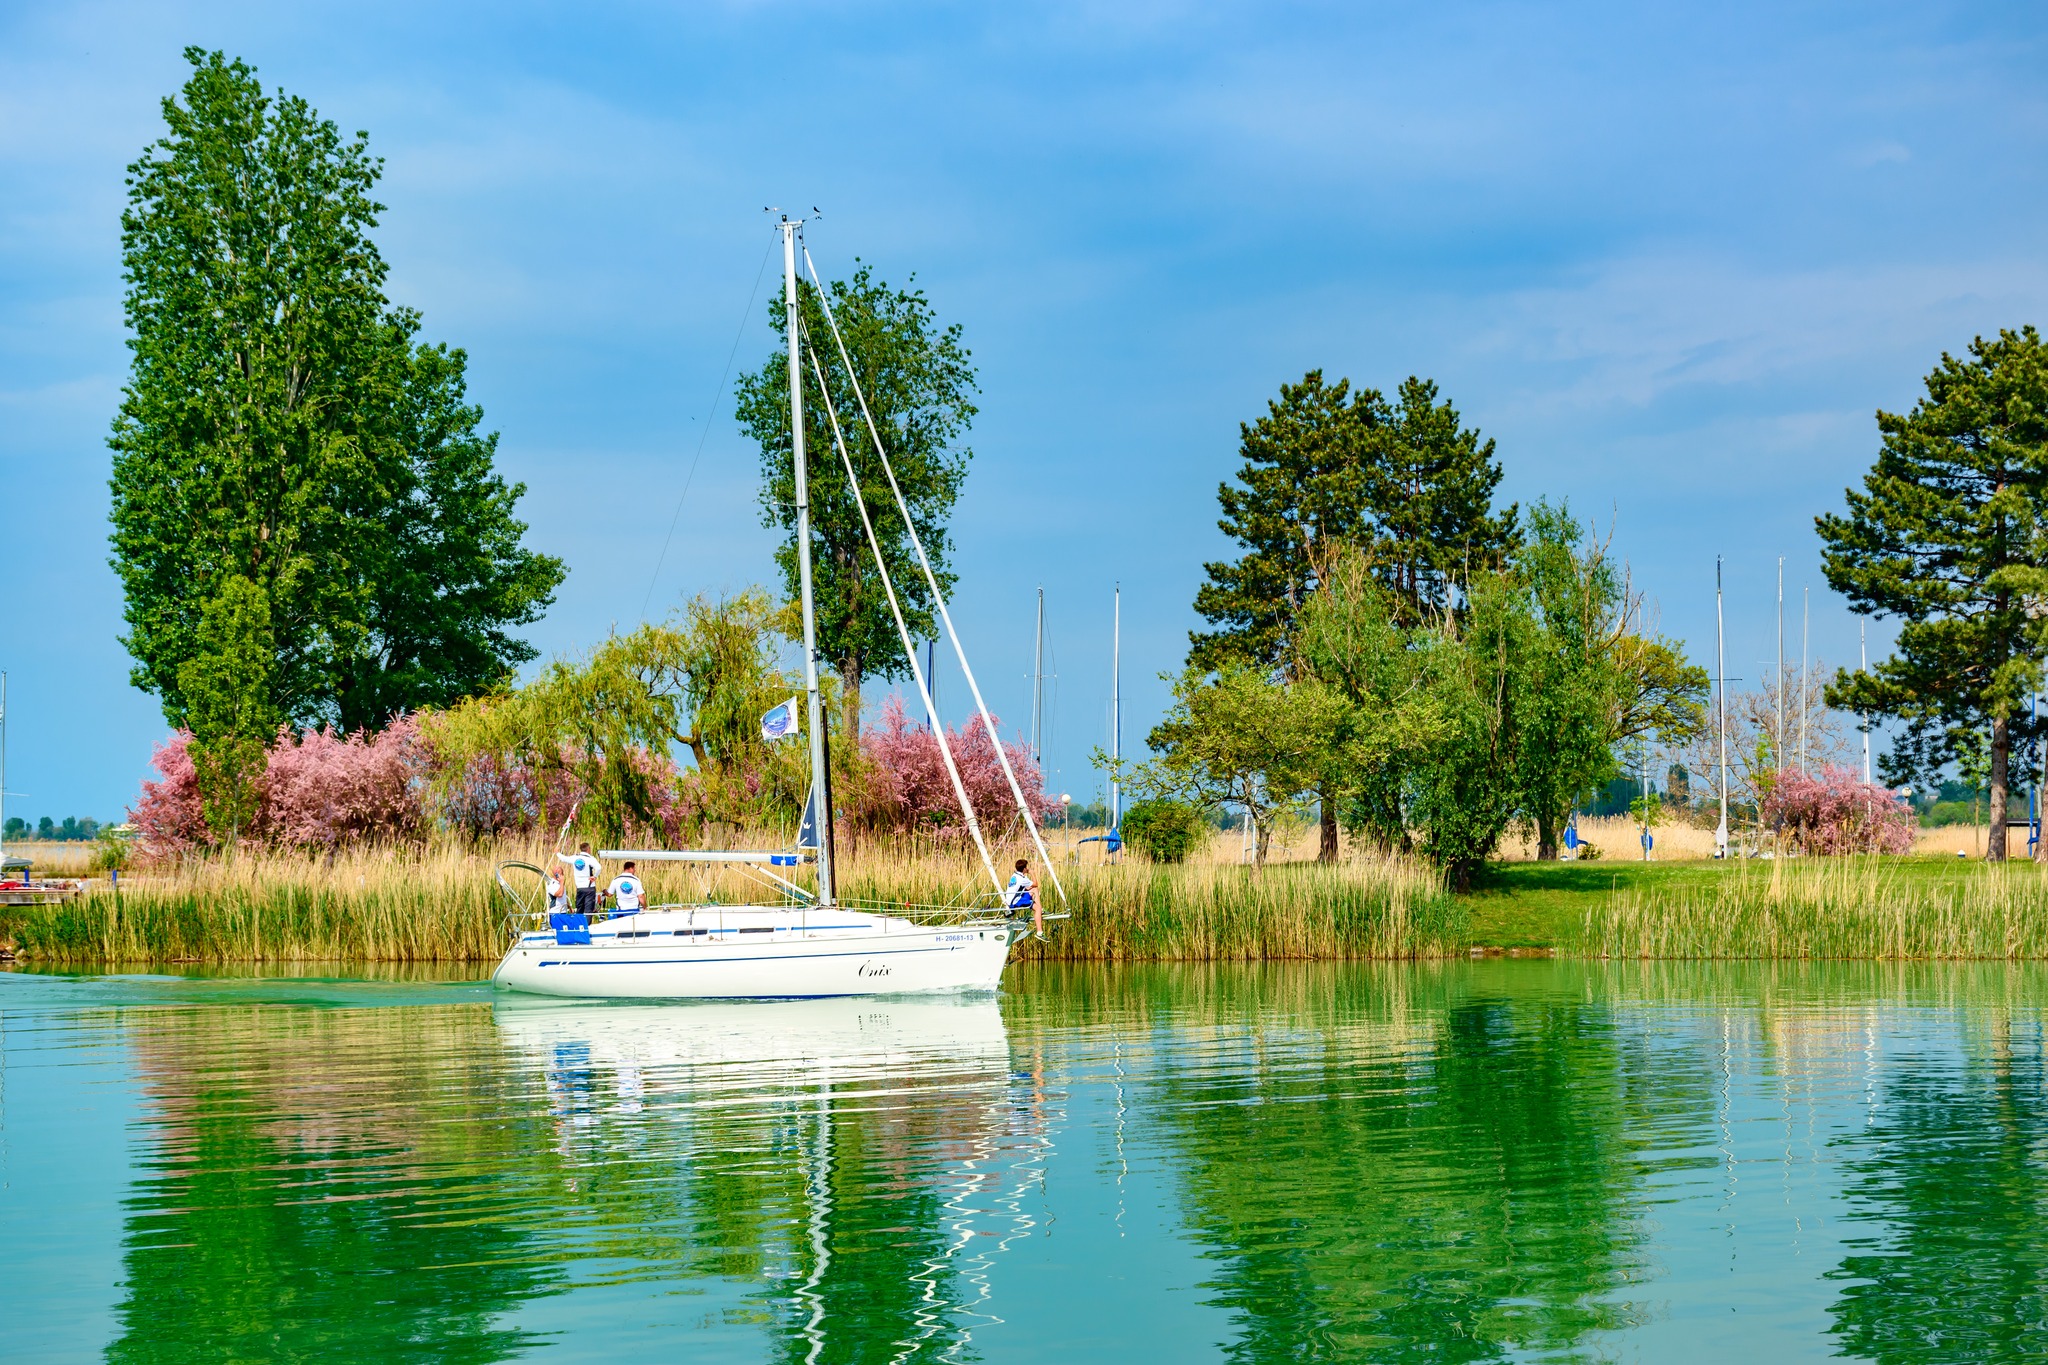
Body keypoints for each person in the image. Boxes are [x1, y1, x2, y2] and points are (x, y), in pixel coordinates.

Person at [556, 842, 603, 916]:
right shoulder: (590, 858)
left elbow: (564, 859)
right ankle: (587, 925)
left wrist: (557, 853)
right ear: (588, 849)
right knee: (588, 909)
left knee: (579, 908)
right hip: (589, 887)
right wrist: (595, 876)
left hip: (579, 887)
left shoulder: (575, 857)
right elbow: (599, 868)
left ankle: (579, 925)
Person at [1005, 857, 1043, 936]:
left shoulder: (1015, 875)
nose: (1027, 869)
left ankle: (1040, 911)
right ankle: (1040, 932)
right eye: (1026, 867)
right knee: (1037, 908)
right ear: (1024, 869)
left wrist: (1028, 888)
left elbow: (1023, 887)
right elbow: (1035, 883)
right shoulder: (1021, 878)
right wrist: (1032, 873)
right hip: (1015, 901)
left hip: (1011, 899)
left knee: (1034, 890)